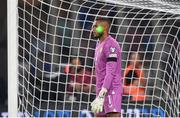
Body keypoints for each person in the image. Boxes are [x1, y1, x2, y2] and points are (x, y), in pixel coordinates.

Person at [90, 17, 123, 117]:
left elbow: (111, 71)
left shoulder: (111, 44)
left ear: (105, 27)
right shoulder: (99, 45)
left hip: (111, 90)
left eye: (96, 26)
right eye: (93, 26)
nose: (93, 29)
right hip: (101, 91)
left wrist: (103, 92)